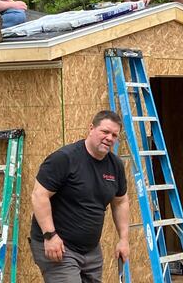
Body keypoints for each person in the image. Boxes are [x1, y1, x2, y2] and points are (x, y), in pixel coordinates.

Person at [29, 110, 130, 283]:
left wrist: (124, 239)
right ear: (91, 128)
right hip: (59, 247)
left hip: (91, 252)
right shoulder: (65, 159)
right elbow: (39, 195)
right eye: (105, 132)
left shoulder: (115, 165)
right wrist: (50, 235)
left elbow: (120, 202)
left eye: (114, 135)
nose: (109, 138)